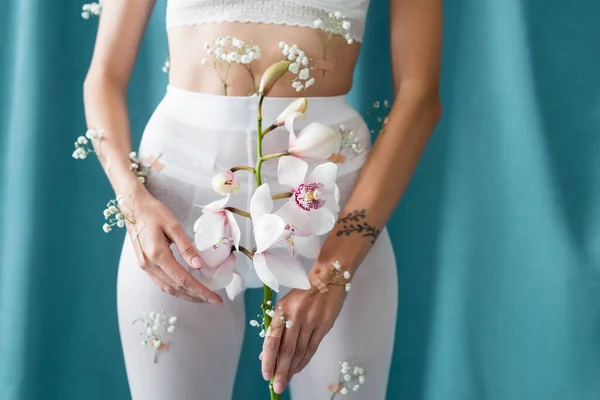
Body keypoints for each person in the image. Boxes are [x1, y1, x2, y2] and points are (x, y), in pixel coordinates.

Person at [83, 0, 442, 398]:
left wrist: (333, 271)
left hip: (333, 209)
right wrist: (133, 203)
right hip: (178, 206)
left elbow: (419, 95)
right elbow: (103, 77)